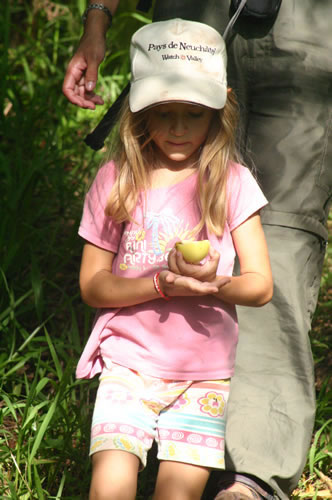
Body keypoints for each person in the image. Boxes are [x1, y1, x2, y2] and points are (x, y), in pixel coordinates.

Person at [64, 2, 332, 499]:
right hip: (128, 366)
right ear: (139, 110)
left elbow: (261, 284)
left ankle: (253, 473)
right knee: (109, 486)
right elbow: (92, 284)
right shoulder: (116, 180)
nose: (179, 128)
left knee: (178, 492)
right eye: (164, 113)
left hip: (203, 376)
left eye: (193, 114)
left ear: (220, 107)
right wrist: (161, 285)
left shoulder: (233, 183)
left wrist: (214, 284)